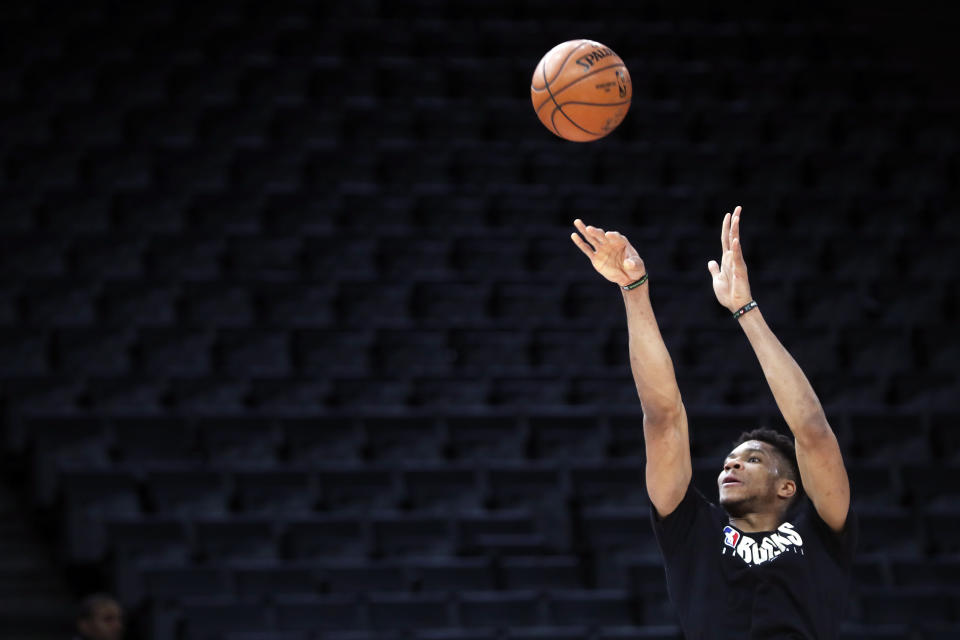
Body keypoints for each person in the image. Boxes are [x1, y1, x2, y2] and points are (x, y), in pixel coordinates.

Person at [571, 206, 856, 639]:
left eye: (753, 459)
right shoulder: (692, 530)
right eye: (729, 461)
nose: (731, 465)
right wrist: (633, 288)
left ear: (787, 486)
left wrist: (747, 310)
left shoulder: (820, 530)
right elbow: (663, 418)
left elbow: (813, 432)